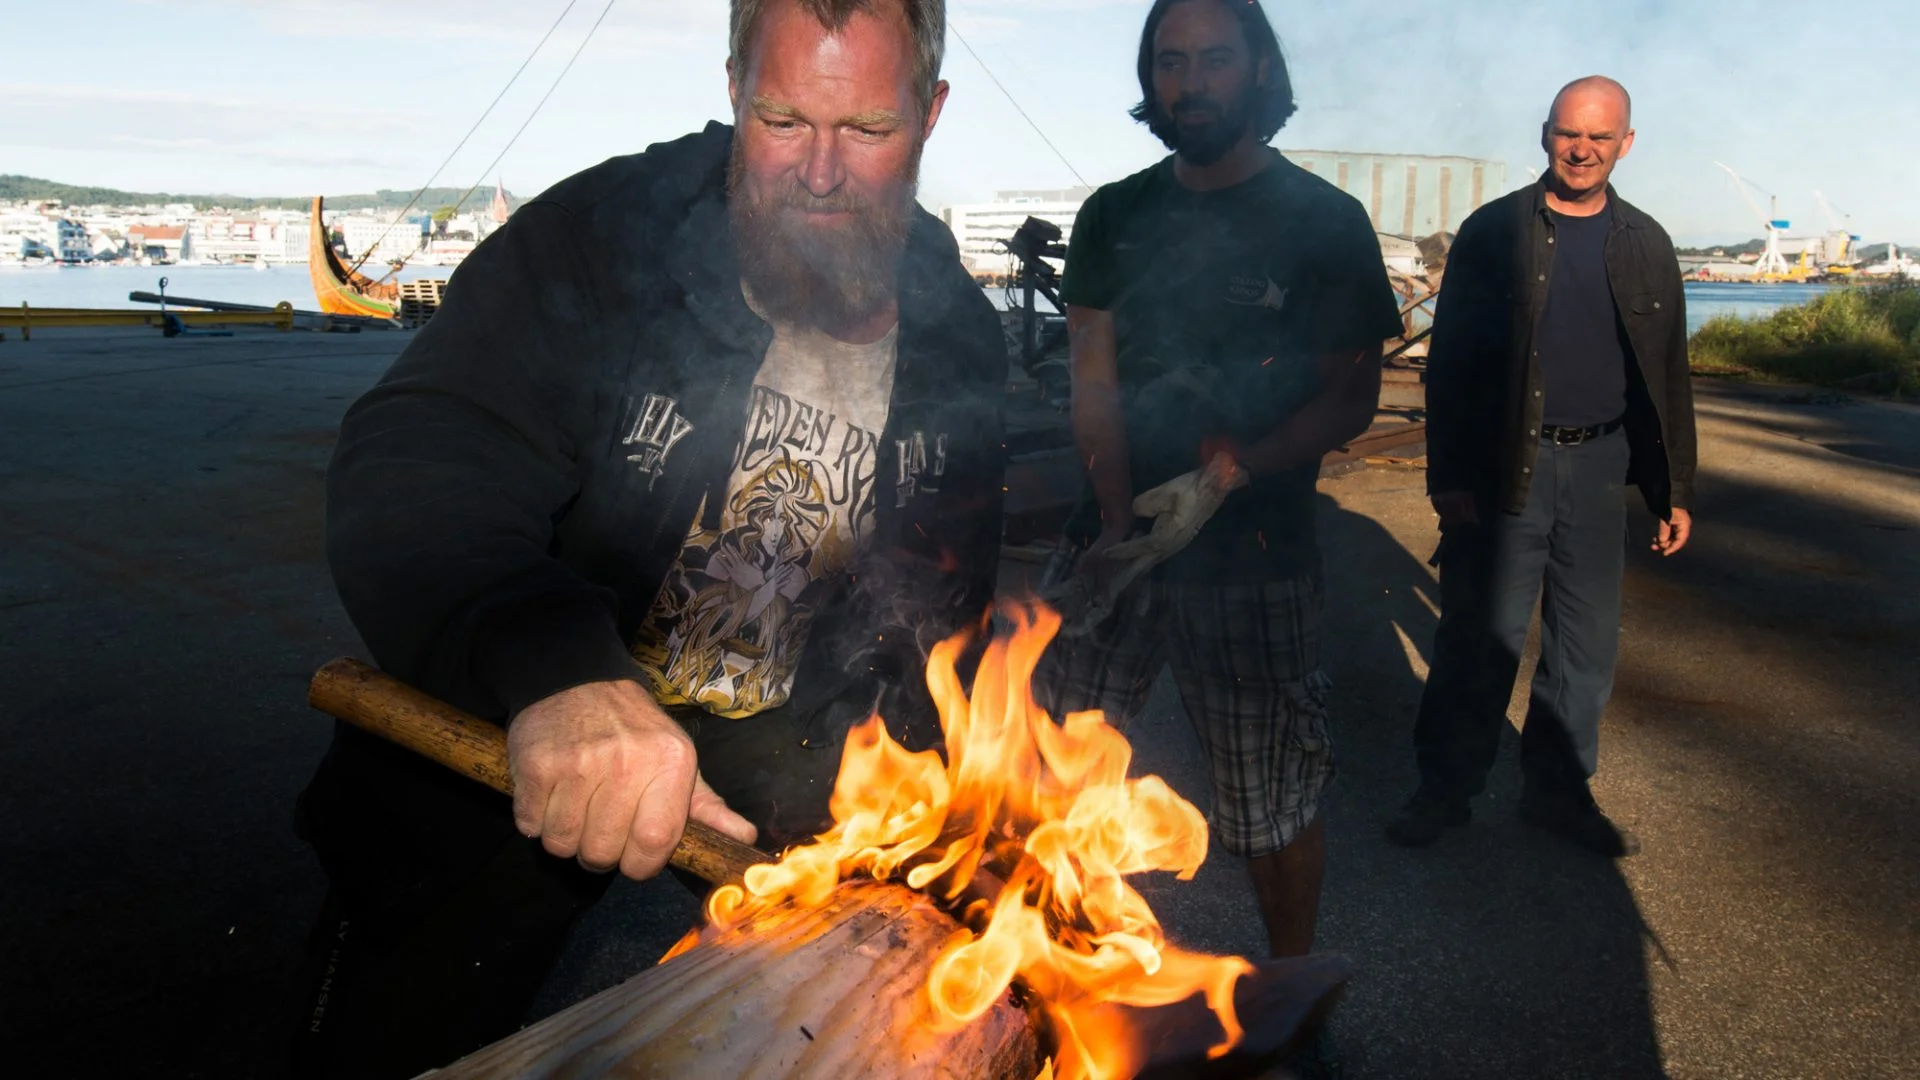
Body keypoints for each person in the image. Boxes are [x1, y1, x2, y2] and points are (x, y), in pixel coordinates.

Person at [283, 1, 1007, 1075]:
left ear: (931, 113)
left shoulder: (956, 330)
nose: (818, 170)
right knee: (411, 1022)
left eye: (866, 130)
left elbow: (939, 606)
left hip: (785, 762)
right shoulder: (603, 238)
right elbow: (422, 453)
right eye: (781, 119)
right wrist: (555, 669)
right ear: (731, 87)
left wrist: (926, 813)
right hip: (531, 723)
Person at [1042, 0, 1400, 964]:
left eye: (1212, 60)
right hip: (1112, 539)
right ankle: (1054, 961)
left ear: (1257, 72)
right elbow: (1094, 381)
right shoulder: (1110, 214)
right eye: (1170, 62)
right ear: (1150, 80)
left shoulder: (1324, 221)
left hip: (1254, 553)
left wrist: (1241, 468)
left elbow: (1350, 396)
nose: (1189, 83)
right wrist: (1117, 514)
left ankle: (1289, 987)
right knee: (1058, 768)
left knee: (1268, 797)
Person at [1385, 76, 1697, 856]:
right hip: (1502, 467)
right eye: (1570, 133)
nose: (1583, 150)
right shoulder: (1494, 233)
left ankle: (1557, 794)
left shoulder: (1647, 243)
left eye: (1600, 137)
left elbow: (1668, 374)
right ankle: (1445, 791)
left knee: (1585, 648)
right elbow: (1450, 364)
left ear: (1626, 144)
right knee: (1477, 639)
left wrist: (1674, 490)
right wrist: (1447, 479)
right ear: (1546, 134)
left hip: (1599, 465)